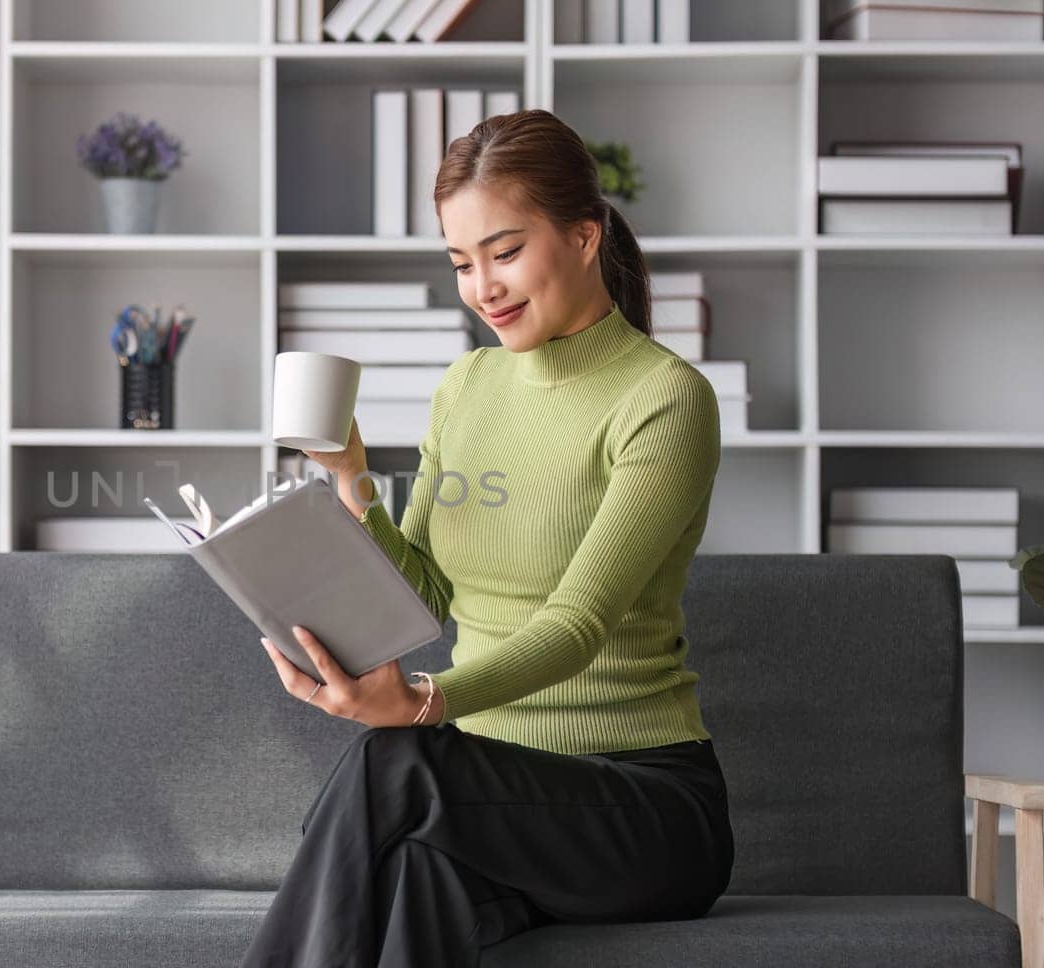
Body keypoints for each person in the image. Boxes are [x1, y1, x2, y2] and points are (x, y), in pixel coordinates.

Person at [239, 108, 734, 967]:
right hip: (493, 802)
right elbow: (426, 593)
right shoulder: (467, 384)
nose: (483, 288)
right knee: (419, 878)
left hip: (645, 808)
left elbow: (579, 623)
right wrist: (349, 476)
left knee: (390, 764)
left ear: (584, 237)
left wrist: (425, 703)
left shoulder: (663, 399)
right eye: (462, 263)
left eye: (505, 253)